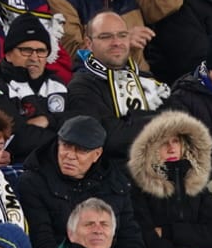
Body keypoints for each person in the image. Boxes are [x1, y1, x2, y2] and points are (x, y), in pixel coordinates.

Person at [20, 115, 142, 248]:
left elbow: (131, 240)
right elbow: (42, 245)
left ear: (97, 154)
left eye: (81, 150)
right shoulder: (34, 181)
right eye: (65, 146)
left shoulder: (115, 182)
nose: (70, 156)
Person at [62, 10, 172, 162]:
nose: (116, 43)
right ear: (89, 44)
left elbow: (178, 120)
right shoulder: (82, 86)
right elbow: (111, 139)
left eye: (122, 35)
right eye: (106, 37)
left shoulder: (146, 78)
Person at [126, 110, 212, 248]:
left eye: (176, 141)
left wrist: (169, 231)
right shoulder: (139, 187)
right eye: (163, 142)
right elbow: (147, 241)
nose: (171, 148)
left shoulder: (198, 184)